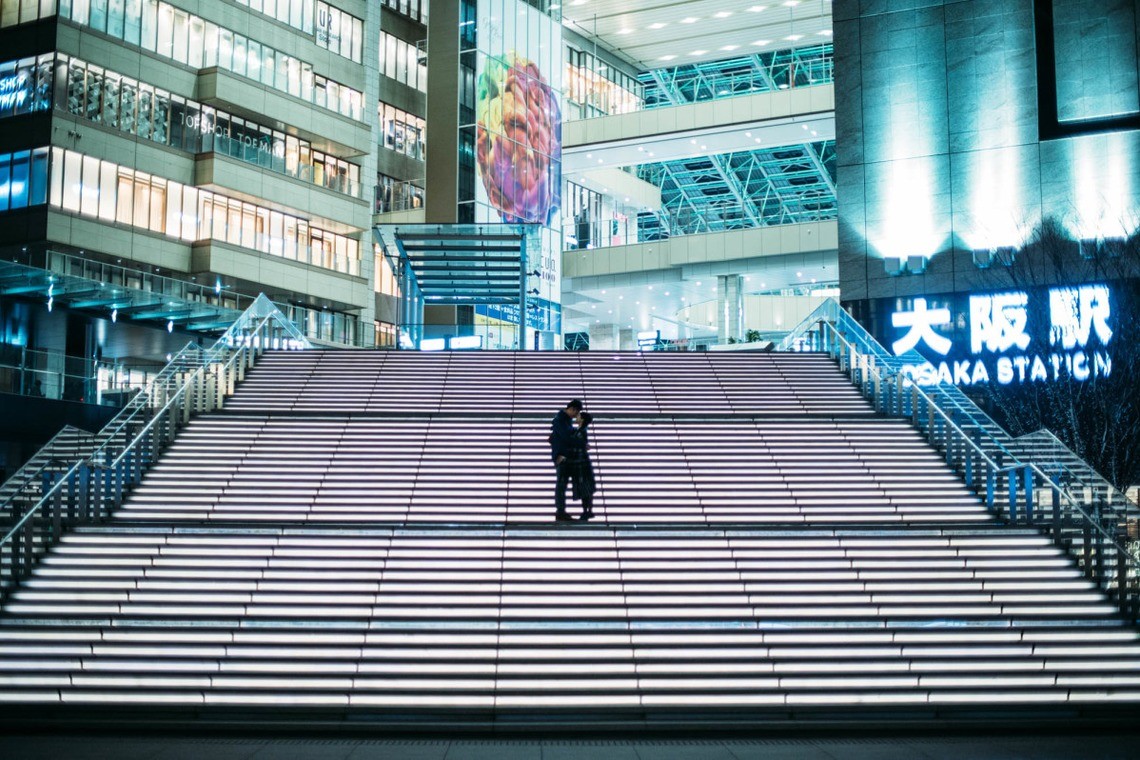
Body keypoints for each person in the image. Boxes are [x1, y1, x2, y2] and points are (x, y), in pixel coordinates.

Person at [550, 399, 597, 521]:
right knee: (561, 485)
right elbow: (565, 437)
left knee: (565, 485)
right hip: (563, 457)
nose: (576, 416)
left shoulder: (565, 421)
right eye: (576, 413)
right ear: (572, 409)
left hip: (567, 458)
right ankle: (560, 512)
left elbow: (553, 438)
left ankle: (563, 512)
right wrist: (558, 454)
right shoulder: (560, 420)